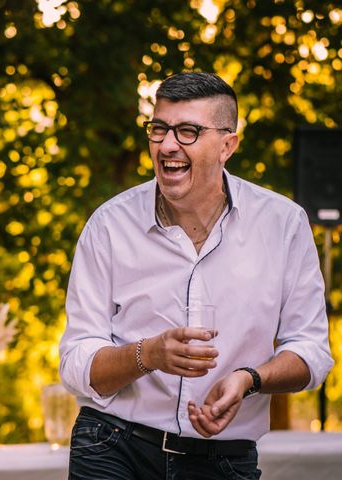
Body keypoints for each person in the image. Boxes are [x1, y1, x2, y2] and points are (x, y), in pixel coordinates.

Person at [59, 72, 333, 480]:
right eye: (159, 129)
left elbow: (312, 353)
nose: (167, 145)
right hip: (113, 444)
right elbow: (75, 362)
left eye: (188, 131)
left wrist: (250, 379)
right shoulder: (109, 225)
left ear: (227, 145)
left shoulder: (284, 225)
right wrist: (147, 354)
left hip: (225, 459)